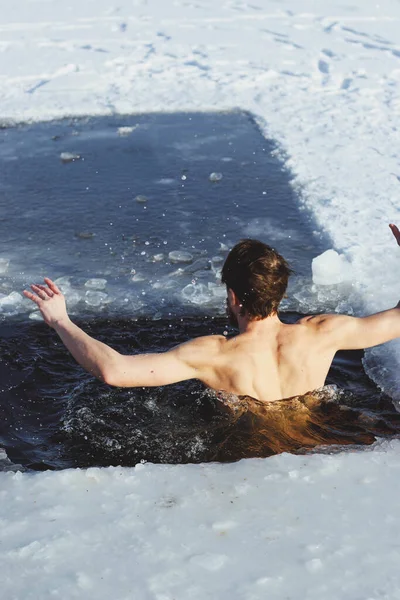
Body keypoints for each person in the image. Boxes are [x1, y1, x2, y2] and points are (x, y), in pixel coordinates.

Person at [23, 224, 400, 403]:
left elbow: (114, 371)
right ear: (281, 291)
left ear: (232, 296)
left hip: (250, 449)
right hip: (315, 435)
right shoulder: (324, 333)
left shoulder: (213, 354)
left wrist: (61, 320)